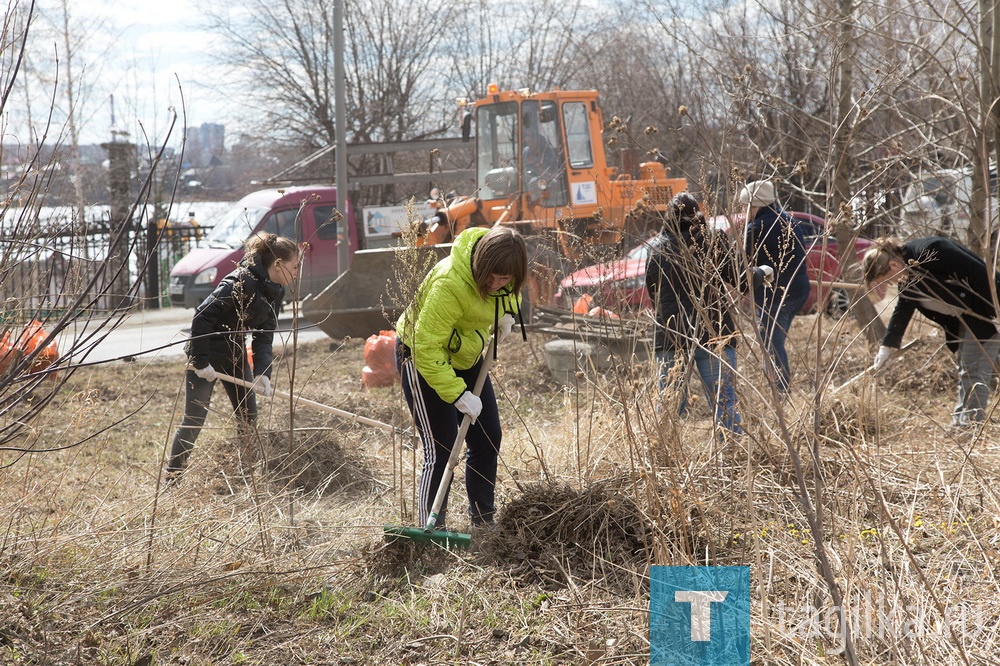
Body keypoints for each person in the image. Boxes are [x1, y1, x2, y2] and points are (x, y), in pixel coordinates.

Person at [395, 225, 527, 528]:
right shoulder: (450, 283)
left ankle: (483, 523)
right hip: (420, 357)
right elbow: (425, 347)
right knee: (441, 448)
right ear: (480, 262)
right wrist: (456, 394)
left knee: (487, 437)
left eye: (504, 279)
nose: (494, 284)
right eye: (489, 276)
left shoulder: (509, 277)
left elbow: (511, 295)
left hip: (465, 355)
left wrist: (508, 315)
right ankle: (432, 530)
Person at [166, 232, 300, 480]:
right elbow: (202, 315)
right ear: (278, 265)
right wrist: (200, 362)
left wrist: (262, 373)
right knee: (194, 418)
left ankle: (246, 478)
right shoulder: (240, 281)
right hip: (205, 353)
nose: (297, 272)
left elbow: (264, 335)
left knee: (248, 418)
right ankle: (172, 478)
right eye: (295, 266)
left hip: (234, 355)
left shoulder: (275, 292)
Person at [645, 193, 766, 435]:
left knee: (668, 405)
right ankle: (732, 454)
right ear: (698, 214)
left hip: (671, 335)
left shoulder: (656, 248)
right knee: (724, 401)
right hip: (713, 332)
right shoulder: (712, 240)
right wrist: (762, 272)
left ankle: (662, 456)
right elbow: (743, 279)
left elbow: (653, 292)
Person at [862, 236, 1000, 427]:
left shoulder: (933, 251)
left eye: (888, 280)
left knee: (973, 372)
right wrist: (888, 345)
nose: (893, 284)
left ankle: (969, 427)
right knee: (967, 370)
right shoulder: (909, 272)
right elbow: (905, 305)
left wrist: (996, 312)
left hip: (986, 312)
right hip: (966, 319)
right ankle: (960, 424)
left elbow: (980, 274)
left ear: (893, 265)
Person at [738, 179, 810, 395]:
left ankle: (781, 392)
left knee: (772, 345)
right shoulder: (790, 221)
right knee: (774, 341)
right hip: (799, 291)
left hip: (774, 297)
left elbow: (738, 267)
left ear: (755, 205)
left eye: (745, 206)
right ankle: (777, 386)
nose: (743, 210)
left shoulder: (756, 228)